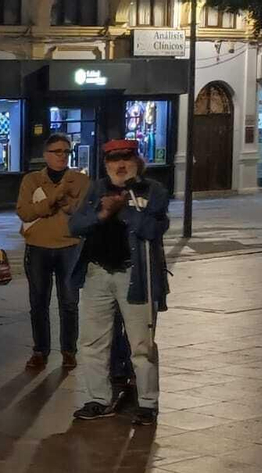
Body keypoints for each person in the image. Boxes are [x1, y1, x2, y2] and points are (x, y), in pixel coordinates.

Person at [69, 139, 171, 426]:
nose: (121, 165)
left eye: (126, 158)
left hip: (134, 275)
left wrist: (122, 209)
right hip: (97, 273)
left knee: (141, 343)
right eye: (114, 160)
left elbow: (153, 228)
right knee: (91, 341)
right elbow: (75, 226)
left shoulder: (153, 190)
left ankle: (147, 403)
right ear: (106, 164)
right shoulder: (96, 188)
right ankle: (98, 399)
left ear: (137, 160)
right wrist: (101, 213)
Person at [18, 133, 92, 370]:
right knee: (38, 302)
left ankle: (69, 350)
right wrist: (53, 200)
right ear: (45, 155)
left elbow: (83, 214)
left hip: (69, 248)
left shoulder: (80, 180)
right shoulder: (31, 180)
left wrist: (64, 203)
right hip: (38, 248)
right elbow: (25, 213)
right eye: (57, 151)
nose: (62, 156)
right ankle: (40, 350)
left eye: (66, 152)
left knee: (69, 302)